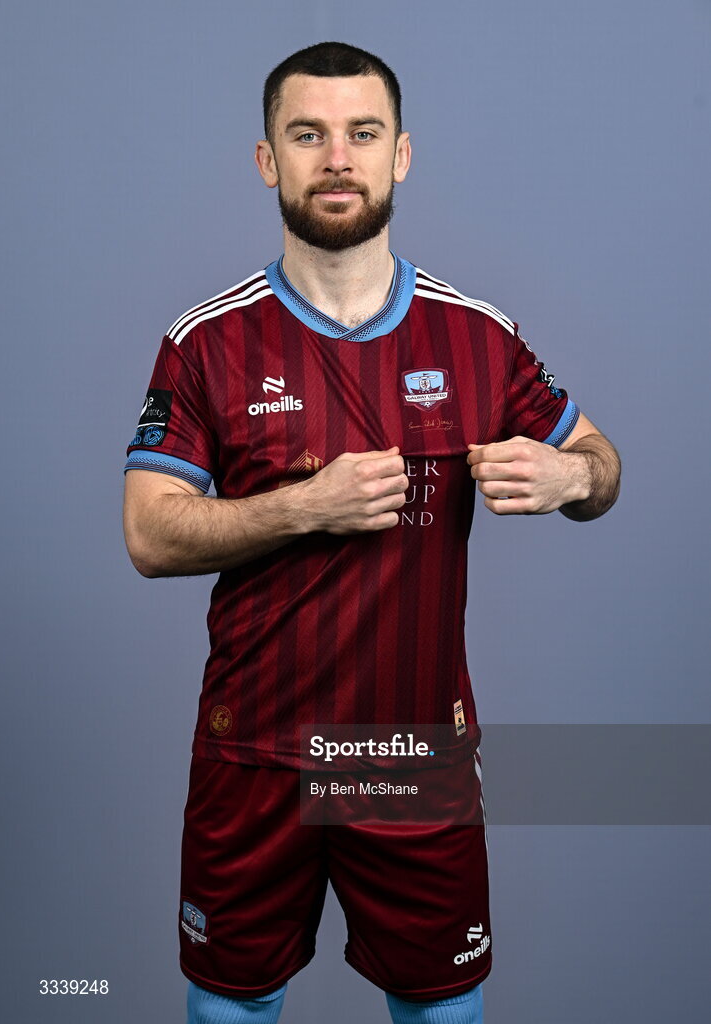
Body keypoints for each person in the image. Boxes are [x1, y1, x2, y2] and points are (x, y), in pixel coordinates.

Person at [123, 41, 620, 1024]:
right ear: (269, 160)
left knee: (441, 1010)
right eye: (307, 134)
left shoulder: (474, 336)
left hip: (409, 753)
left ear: (401, 154)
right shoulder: (205, 341)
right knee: (229, 1006)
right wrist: (304, 506)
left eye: (362, 133)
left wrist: (570, 473)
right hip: (253, 747)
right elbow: (148, 533)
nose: (336, 157)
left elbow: (602, 467)